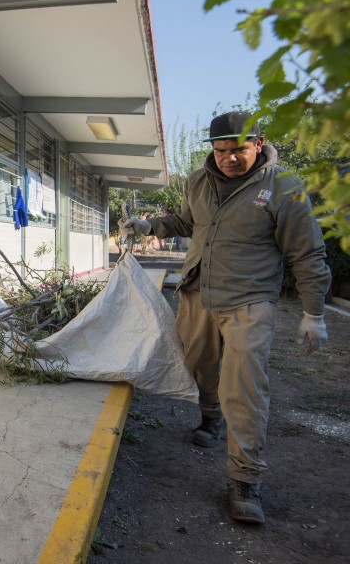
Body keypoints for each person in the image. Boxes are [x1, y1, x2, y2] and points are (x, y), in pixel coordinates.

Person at [120, 111, 330, 525]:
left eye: (238, 150)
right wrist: (149, 224)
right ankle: (211, 418)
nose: (229, 159)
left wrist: (314, 312)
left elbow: (306, 251)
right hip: (198, 292)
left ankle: (244, 480)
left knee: (245, 386)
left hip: (249, 302)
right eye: (220, 151)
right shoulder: (198, 181)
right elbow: (184, 221)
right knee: (197, 365)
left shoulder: (284, 187)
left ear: (259, 142)